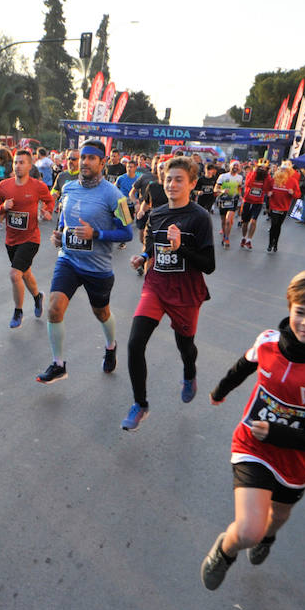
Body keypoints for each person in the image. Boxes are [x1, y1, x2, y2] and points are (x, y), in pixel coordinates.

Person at [201, 264, 305, 588]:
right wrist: (220, 390)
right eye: (301, 312)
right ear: (290, 308)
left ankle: (267, 538)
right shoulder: (268, 341)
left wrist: (278, 432)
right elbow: (244, 366)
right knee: (248, 529)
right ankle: (226, 549)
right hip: (252, 446)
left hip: (296, 461)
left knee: (278, 518)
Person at [122, 155, 215, 430]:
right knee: (135, 343)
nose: (172, 185)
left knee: (185, 346)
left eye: (179, 180)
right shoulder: (158, 213)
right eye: (168, 179)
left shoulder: (200, 218)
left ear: (192, 184)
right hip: (156, 285)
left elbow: (208, 266)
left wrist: (181, 249)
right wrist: (143, 256)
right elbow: (153, 246)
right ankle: (140, 404)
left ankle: (190, 373)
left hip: (186, 292)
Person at [36, 141, 135, 384]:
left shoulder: (115, 195)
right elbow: (65, 219)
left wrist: (97, 235)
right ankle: (58, 364)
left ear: (103, 163)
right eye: (83, 157)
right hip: (68, 260)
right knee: (54, 308)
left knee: (101, 313)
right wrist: (60, 234)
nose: (85, 162)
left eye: (92, 158)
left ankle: (111, 346)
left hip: (97, 268)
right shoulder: (68, 187)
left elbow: (128, 233)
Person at [0, 147, 54, 328]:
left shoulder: (38, 186)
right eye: (16, 162)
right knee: (24, 273)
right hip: (11, 239)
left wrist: (48, 211)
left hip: (31, 238)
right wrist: (3, 206)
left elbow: (50, 201)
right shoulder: (4, 186)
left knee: (14, 274)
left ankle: (18, 312)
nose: (18, 166)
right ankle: (37, 296)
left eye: (22, 163)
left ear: (29, 165)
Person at [266, 164, 301, 253]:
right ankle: (270, 244)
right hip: (274, 206)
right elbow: (267, 189)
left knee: (278, 226)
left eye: (285, 170)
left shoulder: (293, 181)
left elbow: (298, 194)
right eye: (281, 169)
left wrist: (293, 193)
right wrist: (269, 193)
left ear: (289, 171)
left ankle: (276, 244)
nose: (283, 171)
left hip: (284, 208)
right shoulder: (274, 180)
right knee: (273, 224)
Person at [238, 163, 269, 250]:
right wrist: (254, 173)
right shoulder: (251, 174)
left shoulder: (265, 177)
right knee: (245, 223)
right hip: (248, 201)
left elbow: (266, 188)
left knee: (253, 221)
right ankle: (243, 238)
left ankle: (249, 240)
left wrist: (267, 175)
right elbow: (248, 184)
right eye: (260, 168)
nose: (262, 170)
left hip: (258, 202)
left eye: (264, 168)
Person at [215, 160, 242, 249]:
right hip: (223, 200)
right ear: (230, 167)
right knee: (223, 221)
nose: (235, 167)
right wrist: (222, 190)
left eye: (237, 166)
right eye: (234, 165)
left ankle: (227, 238)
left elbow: (239, 189)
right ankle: (224, 235)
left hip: (233, 201)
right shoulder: (223, 176)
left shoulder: (240, 178)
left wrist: (240, 197)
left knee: (228, 220)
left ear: (239, 168)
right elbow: (215, 189)